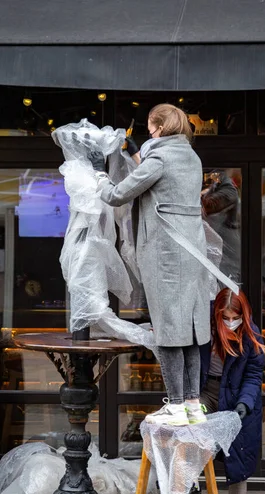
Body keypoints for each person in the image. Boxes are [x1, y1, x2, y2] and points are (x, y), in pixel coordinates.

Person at [86, 103, 210, 426]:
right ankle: (193, 404)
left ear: (159, 128)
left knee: (168, 332)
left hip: (166, 259)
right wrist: (138, 153)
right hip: (192, 255)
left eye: (150, 127)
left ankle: (176, 405)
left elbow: (116, 195)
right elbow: (157, 180)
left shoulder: (160, 158)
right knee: (193, 332)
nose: (148, 131)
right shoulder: (191, 159)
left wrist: (100, 172)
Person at [199, 288, 265, 494]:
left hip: (239, 398)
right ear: (217, 314)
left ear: (243, 314)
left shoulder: (250, 335)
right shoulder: (204, 330)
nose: (230, 322)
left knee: (238, 459)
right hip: (206, 392)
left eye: (234, 316)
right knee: (190, 432)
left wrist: (244, 406)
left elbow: (253, 374)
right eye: (225, 317)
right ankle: (190, 488)